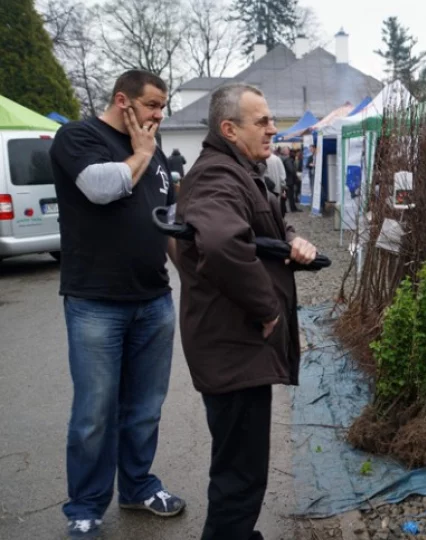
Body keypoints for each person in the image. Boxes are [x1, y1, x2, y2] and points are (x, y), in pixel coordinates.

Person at [174, 83, 318, 540]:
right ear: (229, 129)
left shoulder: (240, 170)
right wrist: (266, 307)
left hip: (235, 349)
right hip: (234, 349)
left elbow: (259, 220)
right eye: (263, 121)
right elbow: (220, 243)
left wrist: (291, 237)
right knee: (240, 474)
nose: (274, 129)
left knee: (240, 464)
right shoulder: (219, 175)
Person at [49, 69, 185, 539]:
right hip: (95, 303)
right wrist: (142, 153)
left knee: (145, 407)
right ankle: (84, 507)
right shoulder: (77, 136)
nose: (158, 115)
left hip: (153, 301)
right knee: (94, 414)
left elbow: (166, 221)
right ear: (123, 101)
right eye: (152, 105)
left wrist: (193, 280)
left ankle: (137, 486)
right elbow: (100, 187)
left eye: (162, 107)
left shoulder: (158, 150)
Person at [265, 149, 287, 216]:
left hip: (265, 189)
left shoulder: (259, 158)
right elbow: (282, 175)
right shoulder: (277, 159)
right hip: (276, 189)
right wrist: (283, 188)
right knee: (276, 207)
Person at [281, 147, 299, 212]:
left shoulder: (281, 158)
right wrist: (295, 175)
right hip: (289, 180)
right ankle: (293, 208)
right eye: (288, 150)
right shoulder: (287, 159)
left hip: (285, 179)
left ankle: (284, 208)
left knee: (285, 195)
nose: (289, 151)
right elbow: (291, 170)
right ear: (286, 152)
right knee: (291, 195)